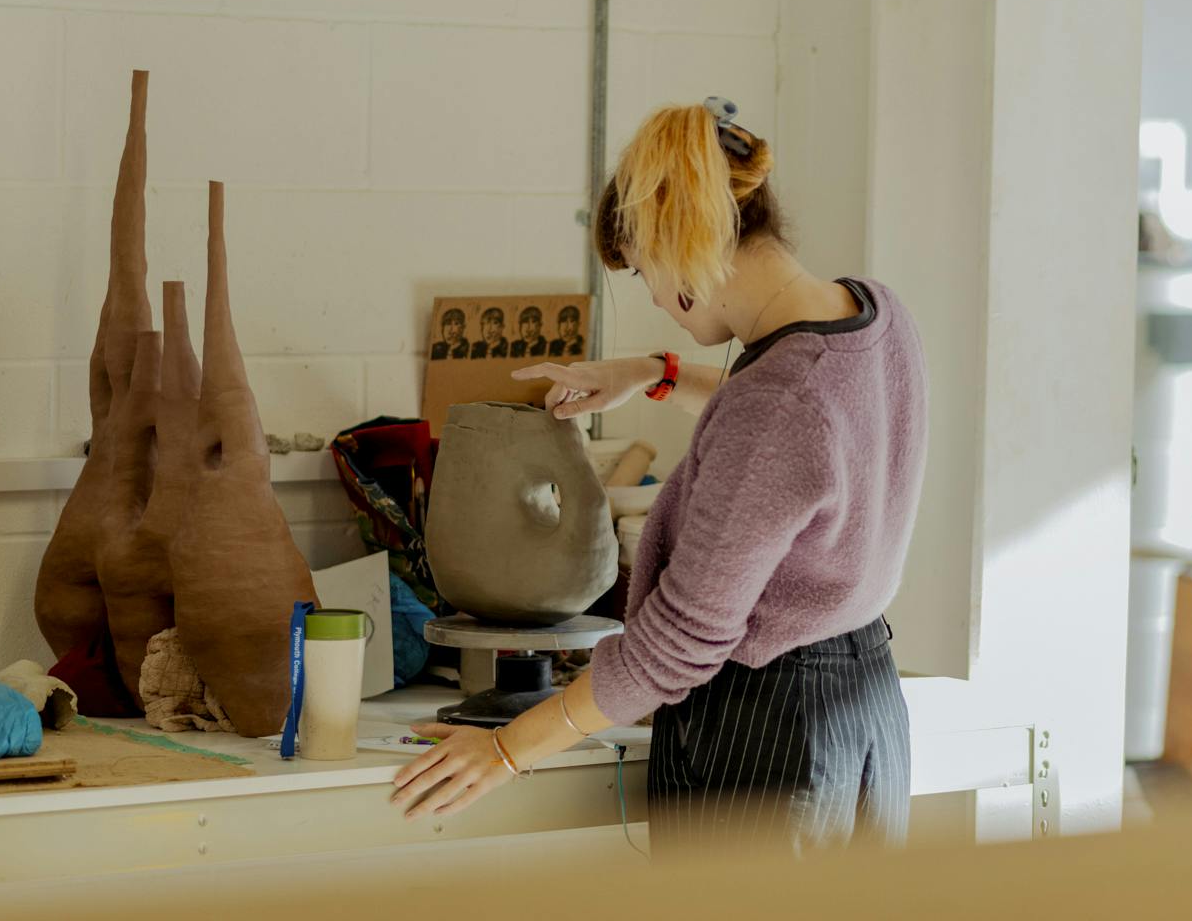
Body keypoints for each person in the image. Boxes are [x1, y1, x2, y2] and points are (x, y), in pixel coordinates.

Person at [391, 98, 929, 856]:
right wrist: (653, 374)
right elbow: (808, 435)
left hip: (766, 735)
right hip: (865, 703)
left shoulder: (775, 405)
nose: (651, 298)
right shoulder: (875, 313)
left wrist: (510, 749)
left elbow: (679, 642)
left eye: (644, 270)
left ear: (683, 246)